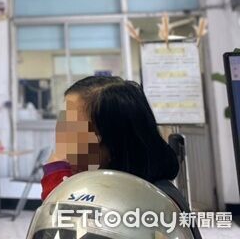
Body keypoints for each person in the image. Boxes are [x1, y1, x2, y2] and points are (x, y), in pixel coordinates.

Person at [42, 76, 201, 238]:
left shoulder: (150, 205)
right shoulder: (110, 190)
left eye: (73, 131)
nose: (63, 144)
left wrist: (57, 186)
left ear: (114, 140)